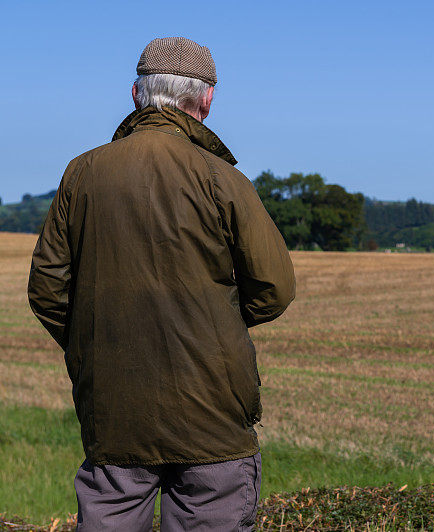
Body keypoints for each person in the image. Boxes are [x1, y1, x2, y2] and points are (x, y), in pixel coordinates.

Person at [27, 36, 296, 531]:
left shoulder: (80, 173)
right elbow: (275, 287)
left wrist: (100, 340)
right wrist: (215, 327)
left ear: (136, 94)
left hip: (113, 407)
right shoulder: (223, 179)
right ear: (207, 100)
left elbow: (46, 289)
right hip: (212, 409)